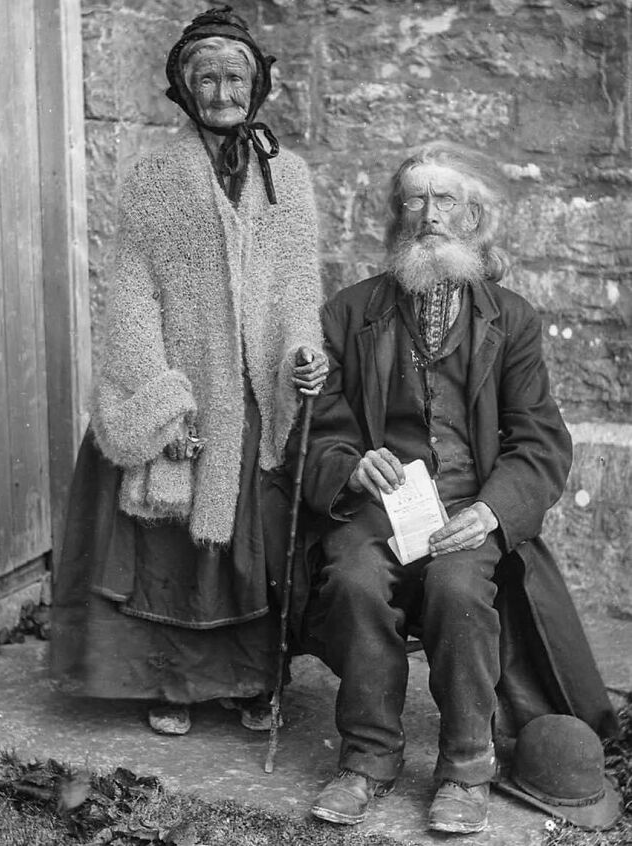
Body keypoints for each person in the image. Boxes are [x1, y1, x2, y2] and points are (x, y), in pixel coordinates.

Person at [296, 141, 617, 833]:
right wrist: (351, 463)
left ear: (475, 216)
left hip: (469, 509)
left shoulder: (512, 319)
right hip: (376, 509)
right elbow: (321, 428)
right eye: (415, 199)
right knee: (350, 578)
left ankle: (466, 769)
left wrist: (494, 513)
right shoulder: (350, 313)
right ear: (396, 215)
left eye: (447, 200)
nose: (430, 215)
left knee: (458, 588)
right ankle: (367, 760)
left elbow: (538, 441)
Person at [50, 6, 327, 737]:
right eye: (205, 78)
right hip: (185, 387)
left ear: (257, 85)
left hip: (254, 394)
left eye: (235, 76)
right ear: (183, 88)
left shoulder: (287, 179)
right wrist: (162, 403)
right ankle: (172, 684)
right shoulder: (153, 179)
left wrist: (302, 354)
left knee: (252, 546)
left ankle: (254, 682)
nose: (221, 91)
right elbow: (131, 294)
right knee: (171, 548)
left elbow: (299, 286)